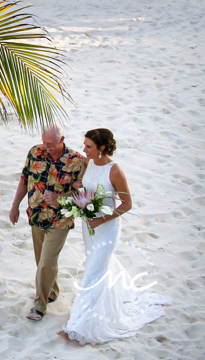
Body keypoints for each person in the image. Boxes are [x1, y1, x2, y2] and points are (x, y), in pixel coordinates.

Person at [58, 129, 169, 343]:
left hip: (106, 227)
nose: (84, 149)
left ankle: (78, 326)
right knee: (96, 265)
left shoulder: (115, 170)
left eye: (88, 146)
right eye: (84, 145)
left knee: (93, 272)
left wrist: (100, 220)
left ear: (101, 148)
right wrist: (77, 192)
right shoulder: (88, 163)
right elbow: (85, 188)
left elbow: (127, 204)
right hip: (88, 227)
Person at [9, 124, 84, 322]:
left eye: (50, 143)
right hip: (36, 215)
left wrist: (61, 196)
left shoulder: (77, 161)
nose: (46, 146)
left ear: (62, 140)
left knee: (46, 263)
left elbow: (85, 193)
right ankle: (52, 292)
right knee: (42, 261)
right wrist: (15, 205)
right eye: (44, 141)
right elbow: (25, 179)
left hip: (61, 219)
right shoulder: (35, 152)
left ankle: (39, 305)